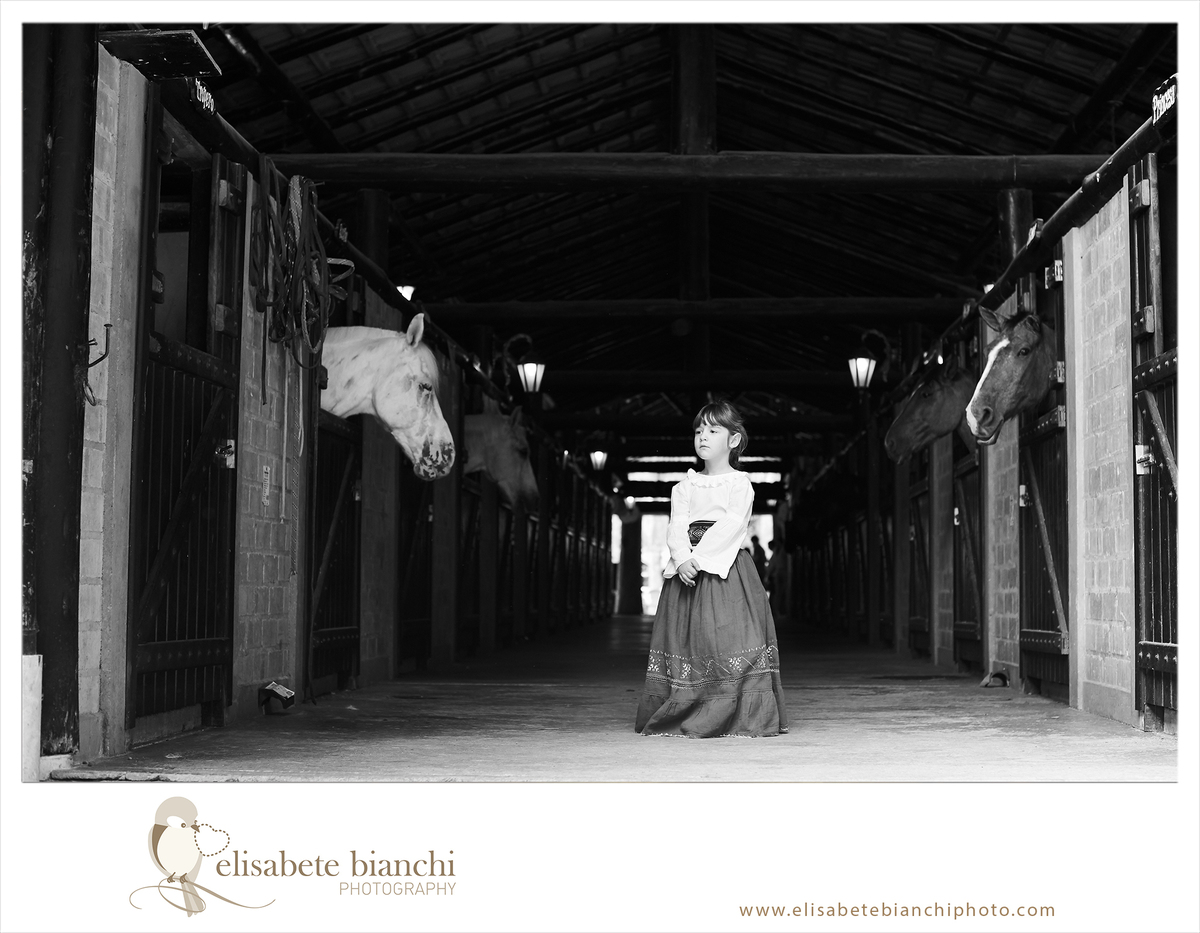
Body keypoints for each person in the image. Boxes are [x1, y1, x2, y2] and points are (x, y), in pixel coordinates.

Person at [634, 400, 789, 738]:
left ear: (733, 440)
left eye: (713, 430)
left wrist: (700, 559)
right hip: (687, 570)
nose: (703, 436)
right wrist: (682, 558)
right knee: (689, 639)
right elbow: (676, 526)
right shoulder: (684, 487)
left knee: (730, 637)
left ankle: (734, 710)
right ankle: (690, 704)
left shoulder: (739, 485)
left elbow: (733, 525)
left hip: (726, 569)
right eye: (699, 430)